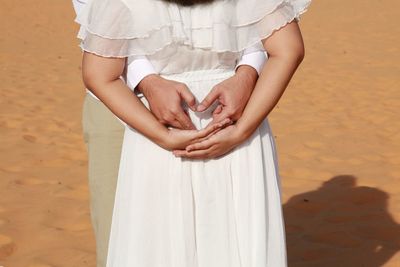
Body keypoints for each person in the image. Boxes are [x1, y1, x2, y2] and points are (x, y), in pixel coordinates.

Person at [75, 0, 311, 265]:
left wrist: (162, 136)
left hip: (164, 132)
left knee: (158, 245)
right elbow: (289, 50)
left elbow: (99, 73)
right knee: (237, 242)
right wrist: (240, 131)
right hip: (230, 125)